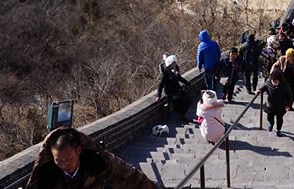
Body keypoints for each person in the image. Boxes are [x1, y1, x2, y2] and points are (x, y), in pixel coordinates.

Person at [25, 127, 158, 189]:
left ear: (78, 150)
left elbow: (131, 178)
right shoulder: (46, 179)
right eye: (59, 161)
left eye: (69, 159)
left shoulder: (101, 164)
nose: (64, 165)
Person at [258, 71, 293, 137]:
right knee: (269, 117)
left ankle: (278, 130)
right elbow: (264, 87)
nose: (274, 83)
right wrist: (260, 90)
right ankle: (271, 123)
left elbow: (289, 95)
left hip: (281, 106)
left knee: (279, 119)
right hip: (270, 105)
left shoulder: (285, 85)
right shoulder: (268, 82)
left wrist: (288, 105)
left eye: (276, 82)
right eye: (273, 81)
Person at [156, 54, 190, 120]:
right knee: (178, 104)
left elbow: (179, 77)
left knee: (187, 101)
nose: (175, 64)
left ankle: (181, 115)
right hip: (170, 91)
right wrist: (158, 95)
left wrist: (187, 83)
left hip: (177, 88)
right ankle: (180, 116)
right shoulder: (165, 73)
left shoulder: (176, 68)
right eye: (174, 63)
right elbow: (160, 85)